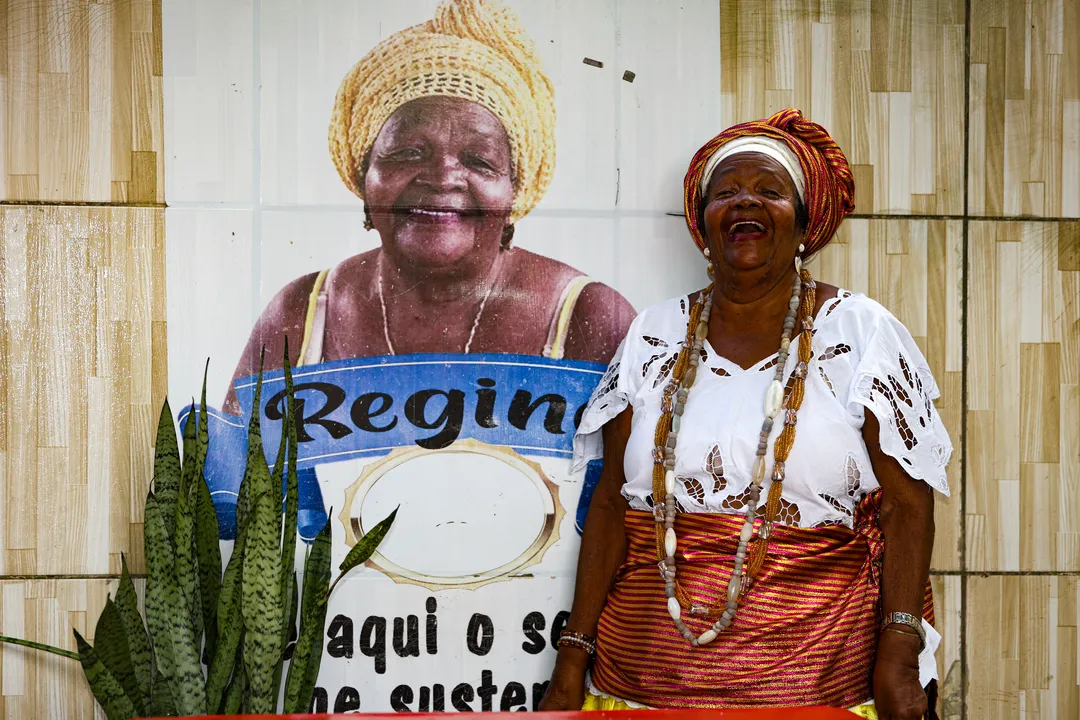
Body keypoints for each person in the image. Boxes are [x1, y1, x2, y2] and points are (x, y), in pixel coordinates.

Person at [540, 109, 952, 720]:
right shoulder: (655, 333)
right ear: (702, 224)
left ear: (805, 222)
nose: (744, 204)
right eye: (725, 192)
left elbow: (907, 505)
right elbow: (610, 506)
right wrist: (571, 660)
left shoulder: (860, 333)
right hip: (643, 680)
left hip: (820, 680)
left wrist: (898, 652)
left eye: (769, 190)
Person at [224, 0, 634, 414]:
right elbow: (232, 473)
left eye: (479, 160)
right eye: (407, 152)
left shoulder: (591, 316)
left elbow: (641, 474)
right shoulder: (303, 311)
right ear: (364, 174)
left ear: (515, 191)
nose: (441, 177)